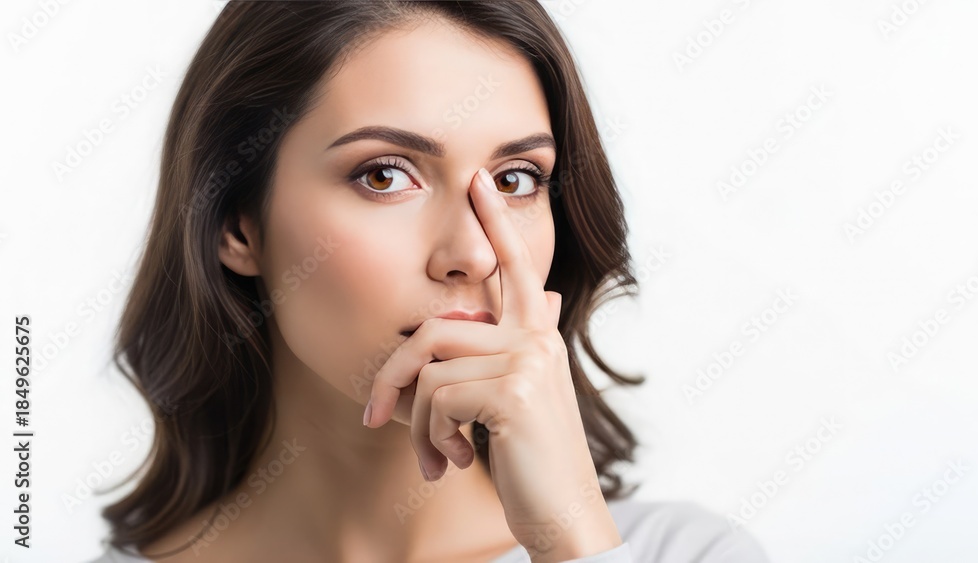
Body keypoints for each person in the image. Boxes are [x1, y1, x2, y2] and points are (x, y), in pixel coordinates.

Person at [88, 2, 771, 561]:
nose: (473, 253)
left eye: (516, 180)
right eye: (384, 175)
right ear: (236, 225)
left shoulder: (684, 552)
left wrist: (568, 540)